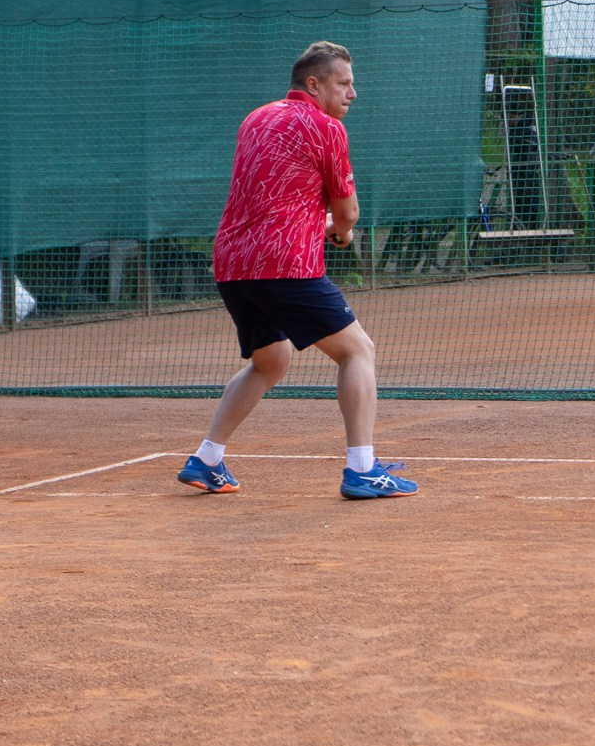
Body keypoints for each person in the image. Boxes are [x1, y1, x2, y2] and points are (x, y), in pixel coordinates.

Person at [176, 42, 417, 500]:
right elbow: (347, 212)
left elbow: (274, 196)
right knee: (357, 351)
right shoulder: (327, 129)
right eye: (343, 83)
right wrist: (339, 229)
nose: (353, 93)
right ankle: (363, 470)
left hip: (232, 261)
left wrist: (319, 223)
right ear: (314, 84)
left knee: (271, 361)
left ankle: (206, 460)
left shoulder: (255, 117)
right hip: (285, 263)